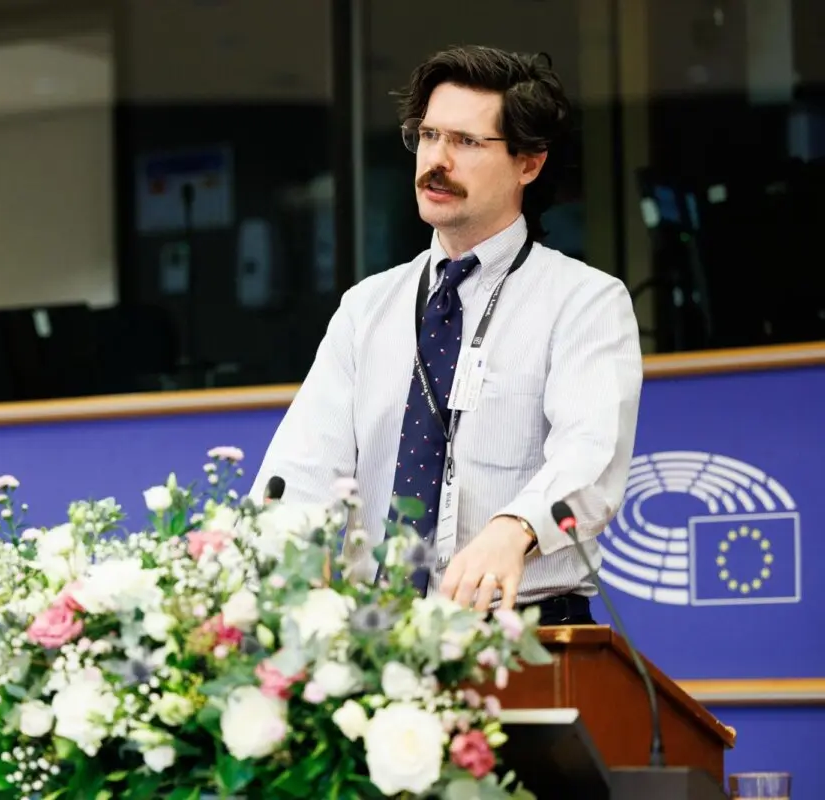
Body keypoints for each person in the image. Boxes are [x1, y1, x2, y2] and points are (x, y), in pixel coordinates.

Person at [250, 45, 643, 625]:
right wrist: (260, 574)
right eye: (429, 135)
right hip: (381, 637)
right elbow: (300, 472)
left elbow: (591, 455)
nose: (437, 159)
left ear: (528, 164)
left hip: (524, 628)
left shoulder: (584, 301)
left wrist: (515, 528)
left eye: (466, 142)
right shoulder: (366, 308)